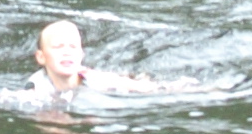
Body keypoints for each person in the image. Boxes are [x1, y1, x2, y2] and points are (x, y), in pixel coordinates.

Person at [29, 19, 168, 97]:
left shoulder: (94, 79)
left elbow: (150, 89)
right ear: (41, 57)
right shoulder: (35, 90)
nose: (67, 52)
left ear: (81, 55)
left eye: (73, 47)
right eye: (58, 47)